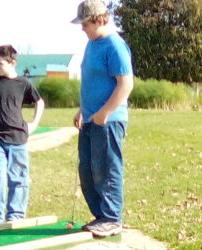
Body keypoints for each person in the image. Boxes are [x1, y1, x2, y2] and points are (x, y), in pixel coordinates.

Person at [72, 0, 134, 237]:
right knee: (87, 170)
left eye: (85, 24)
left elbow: (125, 84)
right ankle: (100, 216)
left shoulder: (114, 46)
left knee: (106, 169)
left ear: (100, 20)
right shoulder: (91, 45)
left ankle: (111, 218)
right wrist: (82, 110)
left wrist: (105, 113)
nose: (82, 29)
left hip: (108, 121)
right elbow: (92, 82)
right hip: (90, 119)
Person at [0, 45, 44, 225]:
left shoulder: (23, 84)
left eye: (1, 63)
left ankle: (16, 215)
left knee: (19, 177)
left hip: (17, 138)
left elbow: (40, 102)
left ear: (12, 63)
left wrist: (34, 123)